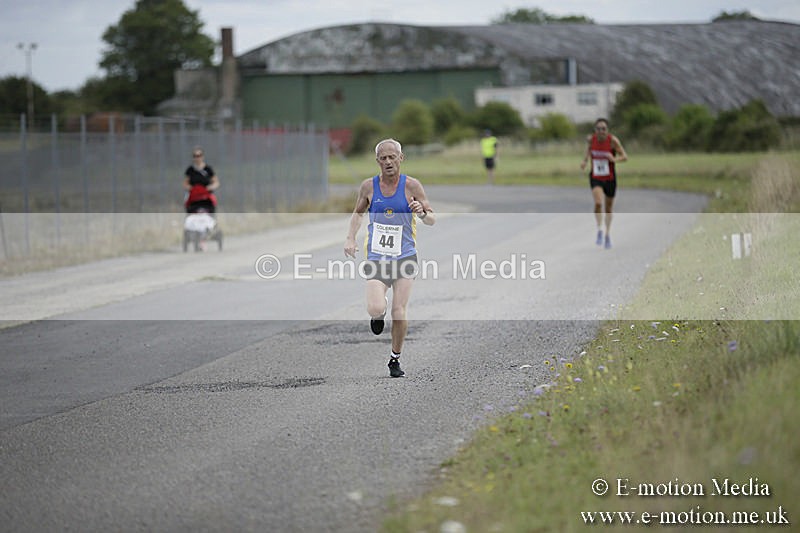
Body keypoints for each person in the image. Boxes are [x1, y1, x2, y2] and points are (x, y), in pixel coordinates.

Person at [344, 139, 436, 378]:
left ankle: (395, 358)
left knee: (399, 310)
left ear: (401, 158)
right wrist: (350, 238)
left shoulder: (412, 186)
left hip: (405, 257)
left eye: (392, 157)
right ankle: (378, 314)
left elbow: (431, 218)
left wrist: (422, 213)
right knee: (375, 306)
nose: (388, 162)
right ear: (377, 161)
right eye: (383, 158)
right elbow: (357, 213)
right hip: (377, 257)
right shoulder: (369, 187)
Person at [580, 118, 627, 249]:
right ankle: (599, 229)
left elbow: (625, 156)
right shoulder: (591, 140)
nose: (601, 131)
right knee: (598, 203)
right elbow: (589, 150)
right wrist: (584, 161)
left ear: (607, 130)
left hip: (610, 178)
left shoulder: (613, 141)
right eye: (598, 129)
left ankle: (607, 234)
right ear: (595, 130)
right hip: (596, 176)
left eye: (603, 129)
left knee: (608, 208)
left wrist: (614, 159)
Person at [183, 146, 220, 213]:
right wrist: (191, 188)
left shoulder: (208, 169)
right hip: (193, 195)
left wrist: (210, 187)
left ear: (202, 157)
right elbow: (185, 184)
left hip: (206, 195)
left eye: (199, 155)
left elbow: (216, 182)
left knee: (212, 203)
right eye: (195, 156)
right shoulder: (190, 170)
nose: (197, 158)